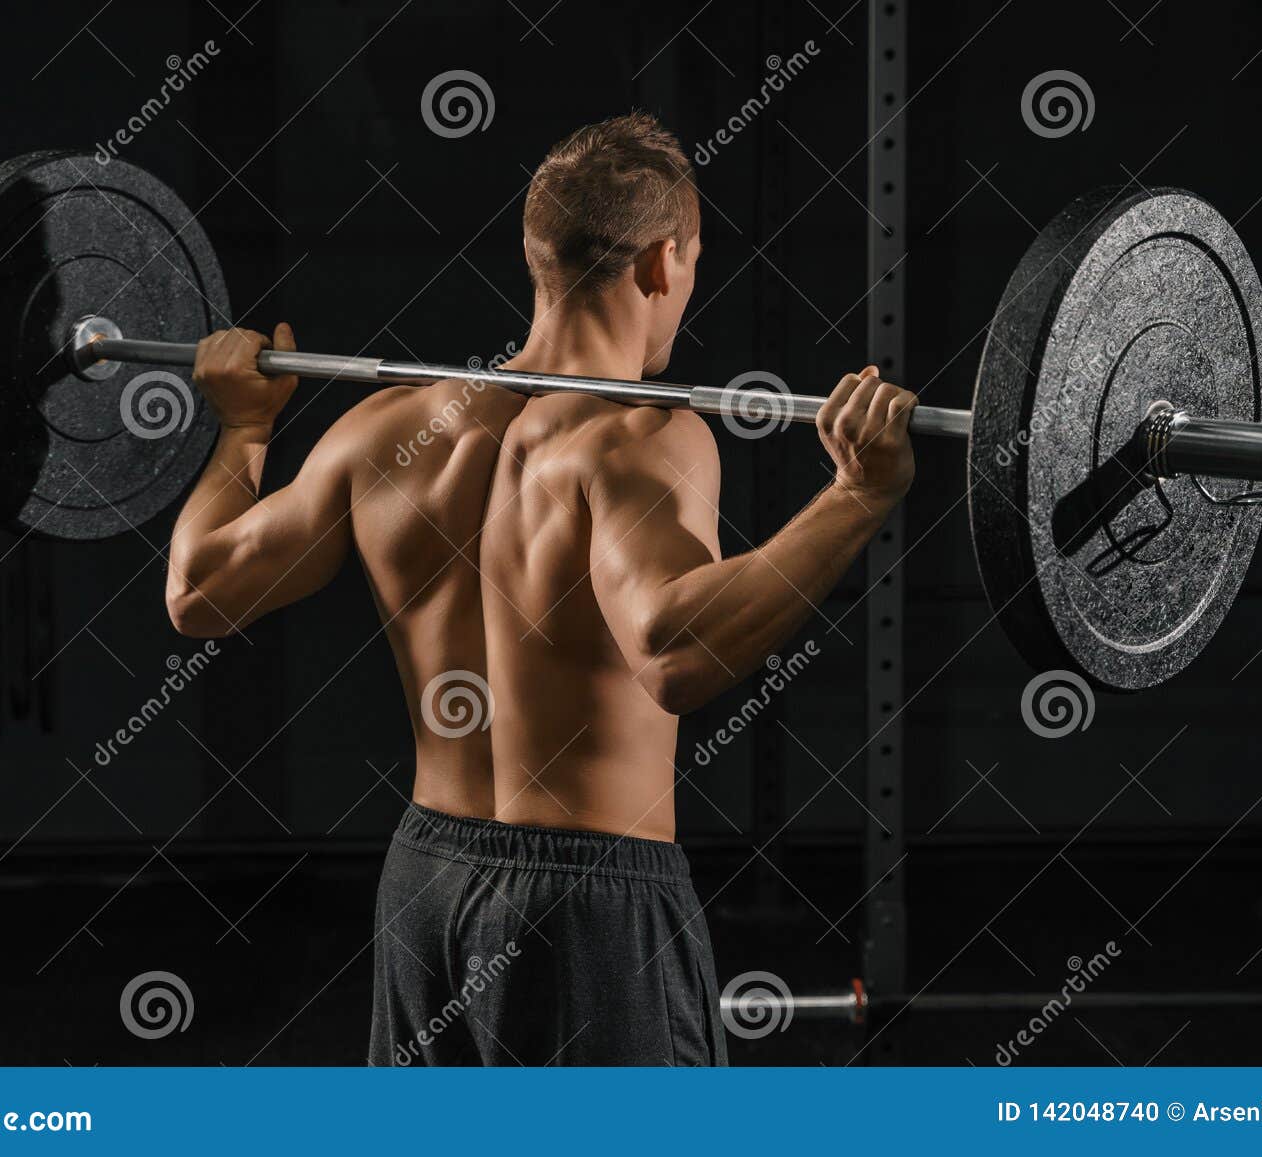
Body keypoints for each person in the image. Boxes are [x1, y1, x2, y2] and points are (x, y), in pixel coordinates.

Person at [168, 112, 914, 1066]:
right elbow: (674, 652)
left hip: (425, 880)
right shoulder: (644, 436)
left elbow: (198, 590)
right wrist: (857, 497)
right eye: (688, 268)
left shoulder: (388, 428)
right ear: (658, 263)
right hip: (589, 905)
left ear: (538, 257)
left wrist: (242, 432)